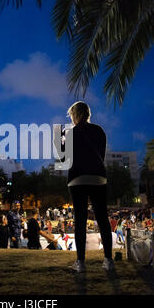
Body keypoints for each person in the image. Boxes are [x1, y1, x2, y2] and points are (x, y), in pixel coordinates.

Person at [55, 101, 114, 273]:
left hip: (77, 178)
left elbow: (64, 158)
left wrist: (59, 140)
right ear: (87, 114)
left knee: (80, 220)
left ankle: (80, 262)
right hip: (98, 176)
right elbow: (100, 155)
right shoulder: (99, 131)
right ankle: (108, 260)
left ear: (75, 115)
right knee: (103, 218)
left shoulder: (71, 132)